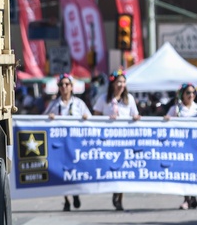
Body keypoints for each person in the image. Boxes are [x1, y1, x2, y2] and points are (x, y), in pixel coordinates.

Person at [93, 69, 141, 211]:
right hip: (108, 139)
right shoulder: (103, 99)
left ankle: (119, 196)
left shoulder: (129, 99)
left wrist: (136, 118)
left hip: (124, 139)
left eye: (123, 82)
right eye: (118, 82)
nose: (121, 85)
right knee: (110, 166)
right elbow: (95, 115)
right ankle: (113, 189)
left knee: (123, 167)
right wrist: (106, 119)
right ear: (113, 84)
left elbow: (135, 114)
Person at [43, 73, 90, 212]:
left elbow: (90, 119)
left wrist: (85, 117)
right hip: (59, 144)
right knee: (60, 171)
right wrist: (49, 117)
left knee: (74, 168)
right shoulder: (54, 104)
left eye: (66, 84)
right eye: (61, 85)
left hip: (74, 143)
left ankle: (75, 192)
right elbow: (42, 119)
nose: (64, 87)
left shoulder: (79, 104)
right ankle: (66, 200)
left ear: (71, 87)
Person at [164, 83, 197, 209]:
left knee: (194, 171)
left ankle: (193, 197)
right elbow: (167, 121)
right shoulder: (176, 109)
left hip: (196, 145)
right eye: (188, 93)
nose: (191, 95)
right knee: (184, 171)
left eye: (193, 92)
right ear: (182, 95)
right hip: (182, 145)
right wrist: (167, 119)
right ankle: (187, 199)